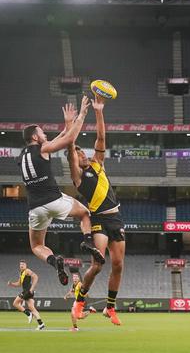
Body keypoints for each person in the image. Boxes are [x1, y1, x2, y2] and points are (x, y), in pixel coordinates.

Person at [18, 96, 104, 287]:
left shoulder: (22, 156)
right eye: (42, 133)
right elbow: (69, 139)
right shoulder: (43, 148)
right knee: (85, 214)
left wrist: (67, 123)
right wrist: (82, 114)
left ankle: (53, 260)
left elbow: (60, 137)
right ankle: (88, 242)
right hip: (53, 200)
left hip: (35, 208)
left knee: (37, 246)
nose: (45, 135)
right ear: (34, 137)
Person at [66, 95, 125, 326]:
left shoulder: (98, 163)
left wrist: (99, 110)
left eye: (83, 152)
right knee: (98, 264)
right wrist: (70, 126)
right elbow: (70, 146)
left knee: (119, 265)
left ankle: (110, 307)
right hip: (99, 219)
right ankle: (79, 302)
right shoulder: (78, 177)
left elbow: (101, 136)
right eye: (78, 154)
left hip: (116, 218)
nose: (82, 155)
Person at [8, 260, 45, 330]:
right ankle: (41, 324)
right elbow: (19, 284)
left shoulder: (27, 271)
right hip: (28, 291)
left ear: (26, 265)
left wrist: (32, 288)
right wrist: (11, 284)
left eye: (23, 264)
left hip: (28, 291)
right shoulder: (21, 273)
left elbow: (36, 277)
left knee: (15, 303)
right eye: (20, 264)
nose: (21, 265)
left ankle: (28, 314)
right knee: (32, 308)